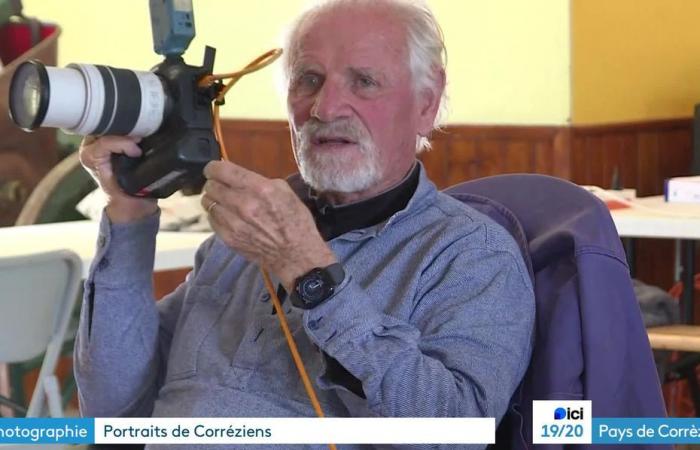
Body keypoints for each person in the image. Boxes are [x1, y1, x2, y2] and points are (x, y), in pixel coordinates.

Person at [74, 0, 535, 447]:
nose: (325, 108)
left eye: (365, 81)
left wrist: (309, 272)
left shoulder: (471, 253)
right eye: (308, 80)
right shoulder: (246, 230)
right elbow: (113, 408)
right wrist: (130, 213)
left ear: (426, 105)